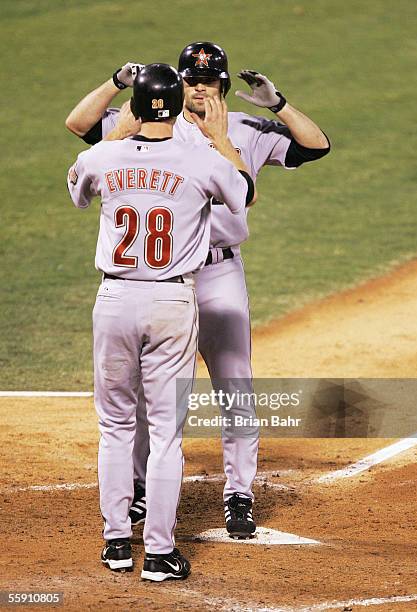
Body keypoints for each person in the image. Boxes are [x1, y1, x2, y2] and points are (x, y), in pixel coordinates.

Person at [65, 41, 330, 539]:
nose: (200, 87)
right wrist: (116, 82)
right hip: (165, 283)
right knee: (148, 395)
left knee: (235, 386)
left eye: (210, 80)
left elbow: (316, 146)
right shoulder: (150, 124)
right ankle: (140, 489)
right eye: (191, 79)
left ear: (224, 86)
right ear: (178, 83)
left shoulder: (246, 129)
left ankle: (238, 494)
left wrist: (277, 105)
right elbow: (80, 126)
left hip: (217, 276)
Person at [66, 63, 255, 580]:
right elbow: (244, 194)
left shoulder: (102, 156)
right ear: (175, 105)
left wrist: (121, 137)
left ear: (133, 106)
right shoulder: (199, 158)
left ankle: (116, 544)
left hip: (114, 299)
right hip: (172, 302)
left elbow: (78, 190)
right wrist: (220, 138)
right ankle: (160, 553)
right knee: (166, 433)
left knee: (116, 427)